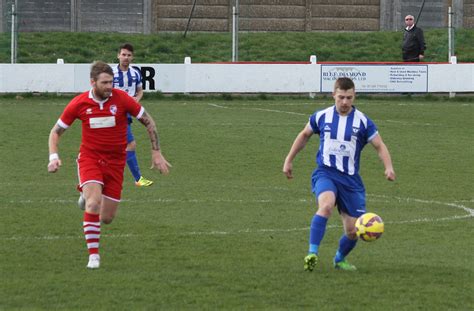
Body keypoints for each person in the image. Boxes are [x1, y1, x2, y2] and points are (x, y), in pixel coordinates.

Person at [47, 61, 171, 269]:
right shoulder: (79, 103)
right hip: (90, 159)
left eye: (111, 82)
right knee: (94, 203)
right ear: (92, 82)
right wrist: (53, 157)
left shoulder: (121, 99)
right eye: (104, 83)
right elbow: (55, 132)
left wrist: (156, 152)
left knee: (106, 218)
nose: (109, 87)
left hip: (116, 162)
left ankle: (85, 197)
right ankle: (93, 256)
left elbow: (148, 121)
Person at [283, 77, 396, 272]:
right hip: (325, 173)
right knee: (325, 206)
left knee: (353, 231)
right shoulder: (322, 116)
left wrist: (388, 167)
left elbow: (379, 145)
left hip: (351, 181)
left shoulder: (363, 121)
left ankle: (339, 259)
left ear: (354, 97)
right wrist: (289, 159)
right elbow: (304, 135)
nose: (345, 102)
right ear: (333, 95)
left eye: (349, 98)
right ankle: (312, 253)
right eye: (341, 97)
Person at [113, 43, 154, 187]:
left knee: (124, 145)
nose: (126, 57)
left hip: (127, 113)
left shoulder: (135, 73)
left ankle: (135, 178)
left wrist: (137, 99)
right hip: (115, 113)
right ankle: (137, 178)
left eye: (129, 55)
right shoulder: (111, 73)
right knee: (129, 144)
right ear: (118, 55)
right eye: (123, 54)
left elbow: (140, 91)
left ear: (132, 57)